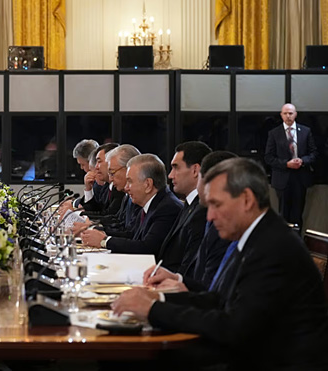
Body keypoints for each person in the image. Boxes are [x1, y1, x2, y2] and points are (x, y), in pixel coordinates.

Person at [112, 158, 328, 370]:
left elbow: (235, 327)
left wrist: (154, 310)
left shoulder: (273, 246)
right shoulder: (255, 235)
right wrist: (158, 298)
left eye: (216, 205)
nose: (210, 217)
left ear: (246, 199)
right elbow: (218, 298)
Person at [144, 150, 236, 293]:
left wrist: (159, 300)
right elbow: (208, 286)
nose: (170, 175)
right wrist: (177, 279)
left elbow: (213, 293)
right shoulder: (192, 207)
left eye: (216, 204)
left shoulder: (209, 219)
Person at [81, 154, 182, 254]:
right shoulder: (150, 203)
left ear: (148, 184)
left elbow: (147, 248)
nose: (126, 188)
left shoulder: (167, 208)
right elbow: (131, 234)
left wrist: (104, 241)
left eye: (130, 181)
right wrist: (99, 234)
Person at [156, 141, 211, 273]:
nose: (170, 175)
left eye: (176, 167)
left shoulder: (201, 210)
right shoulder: (190, 204)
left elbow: (189, 268)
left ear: (195, 170)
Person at [265, 103, 318, 228]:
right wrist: (286, 164)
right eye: (285, 113)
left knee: (297, 214)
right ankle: (284, 239)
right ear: (281, 115)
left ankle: (297, 238)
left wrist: (302, 161)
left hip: (300, 178)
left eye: (290, 113)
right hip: (282, 178)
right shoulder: (274, 133)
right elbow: (268, 157)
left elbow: (314, 153)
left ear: (295, 114)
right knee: (283, 214)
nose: (288, 116)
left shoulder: (305, 131)